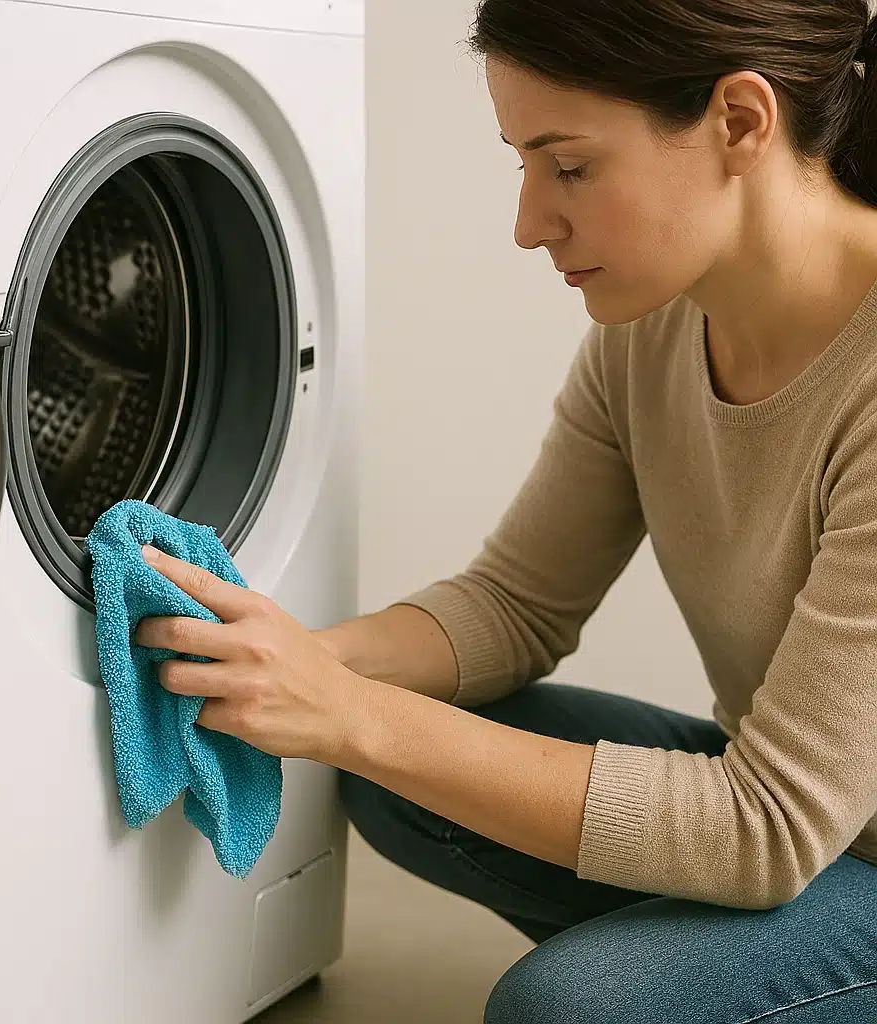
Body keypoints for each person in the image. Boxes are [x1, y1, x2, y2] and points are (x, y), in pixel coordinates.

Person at [135, 0, 877, 1019]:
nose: (529, 223)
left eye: (568, 167)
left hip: (797, 829)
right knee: (403, 764)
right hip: (819, 827)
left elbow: (764, 826)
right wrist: (284, 659)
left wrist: (351, 713)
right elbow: (516, 606)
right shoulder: (653, 330)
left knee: (568, 1006)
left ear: (741, 121)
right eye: (521, 165)